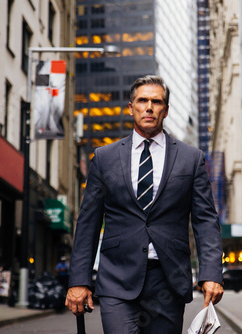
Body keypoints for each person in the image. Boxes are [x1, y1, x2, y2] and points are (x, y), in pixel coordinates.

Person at [65, 75, 224, 333]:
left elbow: (206, 221)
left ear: (166, 110)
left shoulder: (191, 159)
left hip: (169, 281)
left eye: (156, 101)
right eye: (142, 101)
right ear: (131, 107)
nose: (149, 107)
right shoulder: (104, 158)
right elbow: (88, 224)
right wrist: (79, 280)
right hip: (117, 277)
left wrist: (212, 273)